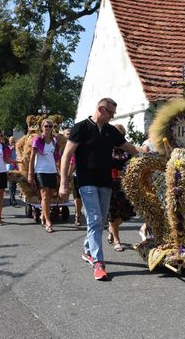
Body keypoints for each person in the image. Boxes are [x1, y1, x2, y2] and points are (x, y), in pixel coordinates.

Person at [59, 98, 140, 281]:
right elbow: (66, 155)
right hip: (86, 182)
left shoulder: (111, 131)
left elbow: (129, 148)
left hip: (106, 183)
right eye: (110, 113)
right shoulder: (81, 128)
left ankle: (88, 250)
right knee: (95, 219)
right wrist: (64, 183)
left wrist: (149, 154)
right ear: (101, 109)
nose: (112, 116)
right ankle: (98, 263)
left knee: (101, 221)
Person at [28, 119, 60, 233]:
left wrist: (59, 171)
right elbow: (32, 158)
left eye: (50, 126)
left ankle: (42, 215)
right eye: (46, 126)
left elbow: (56, 158)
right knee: (45, 196)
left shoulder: (55, 140)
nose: (48, 128)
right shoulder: (37, 140)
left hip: (52, 171)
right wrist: (30, 174)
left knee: (50, 196)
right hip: (40, 171)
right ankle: (48, 222)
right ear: (42, 127)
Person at [107, 124, 135, 252]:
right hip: (110, 183)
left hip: (125, 183)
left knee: (129, 211)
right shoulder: (106, 149)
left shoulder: (127, 150)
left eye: (121, 135)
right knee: (114, 212)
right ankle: (117, 240)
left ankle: (111, 229)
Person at [64, 128, 82, 226]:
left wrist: (69, 174)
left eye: (70, 134)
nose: (69, 135)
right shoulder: (62, 145)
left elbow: (73, 162)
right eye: (67, 134)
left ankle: (78, 215)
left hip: (77, 174)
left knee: (80, 197)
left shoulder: (76, 144)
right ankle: (77, 215)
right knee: (77, 198)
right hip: (68, 174)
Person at [7, 136, 19, 206]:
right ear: (9, 142)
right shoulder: (8, 148)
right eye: (11, 141)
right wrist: (11, 149)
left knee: (14, 185)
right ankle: (12, 199)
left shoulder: (17, 149)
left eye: (14, 141)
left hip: (16, 168)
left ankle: (12, 198)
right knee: (11, 184)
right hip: (10, 168)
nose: (12, 142)